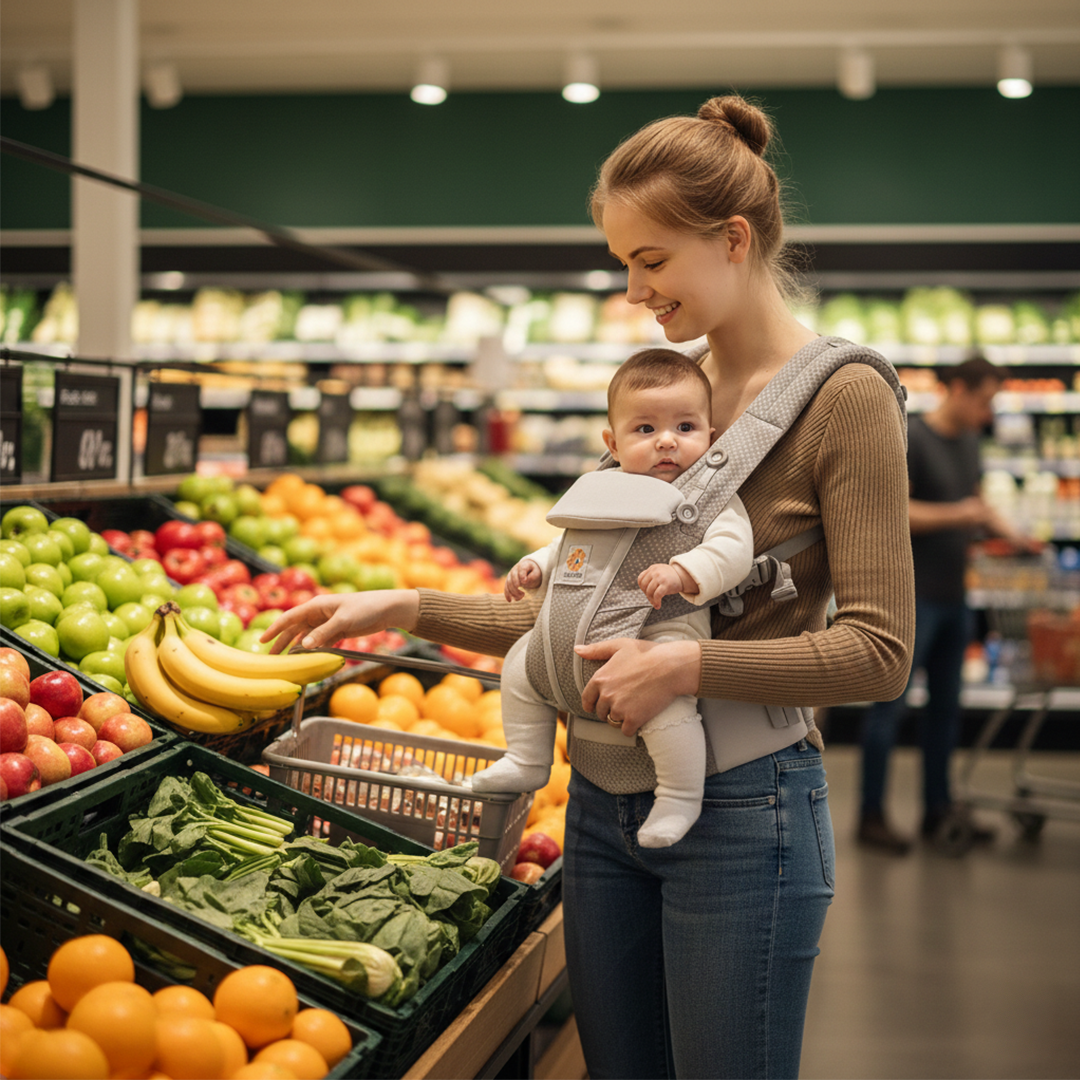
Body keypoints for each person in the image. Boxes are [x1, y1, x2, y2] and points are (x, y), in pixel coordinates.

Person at [263, 94, 914, 1079]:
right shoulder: (666, 399)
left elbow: (879, 653)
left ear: (732, 237)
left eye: (651, 261)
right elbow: (585, 616)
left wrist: (686, 667)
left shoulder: (844, 397)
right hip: (601, 814)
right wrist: (406, 608)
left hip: (744, 814)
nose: (634, 290)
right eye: (623, 266)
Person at [470, 348, 755, 849]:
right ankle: (527, 759)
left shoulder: (709, 498)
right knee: (519, 665)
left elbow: (734, 551)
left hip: (660, 635)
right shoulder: (601, 492)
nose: (667, 440)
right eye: (645, 430)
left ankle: (679, 795)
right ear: (613, 443)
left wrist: (685, 571)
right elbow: (572, 543)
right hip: (571, 642)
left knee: (670, 711)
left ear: (710, 438)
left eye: (685, 427)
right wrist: (539, 564)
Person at [858, 355, 1039, 854]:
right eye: (984, 399)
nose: (988, 411)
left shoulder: (970, 443)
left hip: (954, 596)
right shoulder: (913, 438)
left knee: (945, 711)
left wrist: (1017, 537)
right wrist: (960, 513)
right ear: (957, 388)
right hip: (910, 599)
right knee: (888, 710)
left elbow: (977, 503)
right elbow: (898, 510)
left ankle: (937, 810)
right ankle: (871, 815)